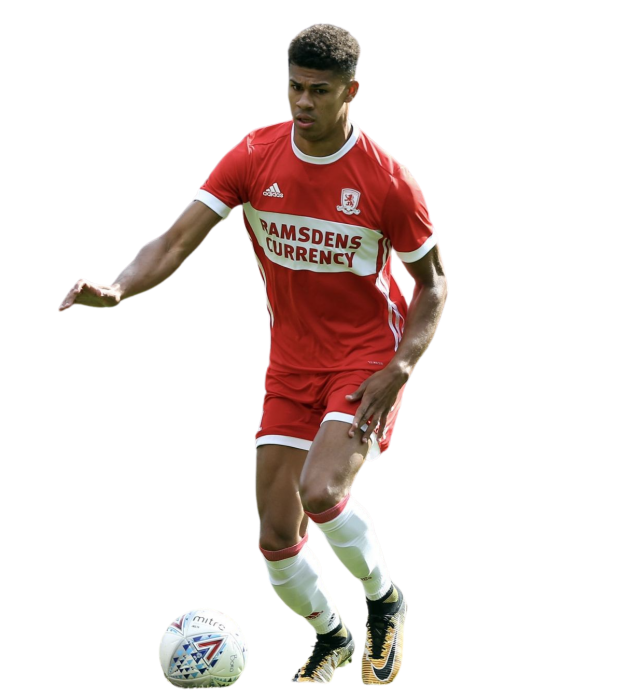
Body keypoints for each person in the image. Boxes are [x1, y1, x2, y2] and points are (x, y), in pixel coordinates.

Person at [58, 23, 448, 686]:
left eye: (319, 91)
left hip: (365, 358)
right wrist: (119, 289)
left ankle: (385, 600)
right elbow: (175, 240)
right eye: (294, 87)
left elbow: (433, 284)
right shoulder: (254, 155)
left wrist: (402, 366)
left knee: (321, 491)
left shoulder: (387, 181)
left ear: (351, 92)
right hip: (290, 364)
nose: (303, 102)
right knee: (275, 536)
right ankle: (331, 637)